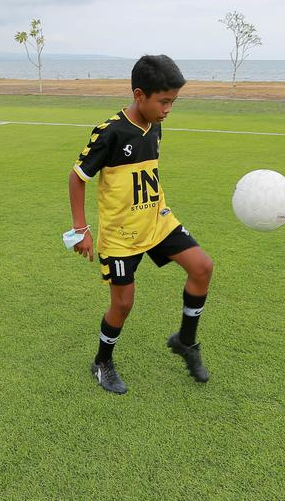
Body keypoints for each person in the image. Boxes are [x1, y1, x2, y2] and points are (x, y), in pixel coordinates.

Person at [68, 55, 214, 395]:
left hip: (158, 221)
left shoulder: (156, 124)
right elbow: (77, 179)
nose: (168, 109)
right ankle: (102, 362)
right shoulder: (111, 132)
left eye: (173, 102)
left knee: (203, 267)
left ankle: (185, 341)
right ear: (139, 95)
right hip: (121, 236)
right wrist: (80, 230)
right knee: (123, 304)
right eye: (164, 101)